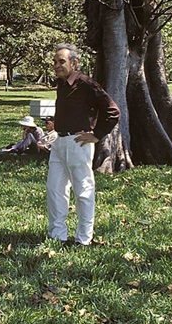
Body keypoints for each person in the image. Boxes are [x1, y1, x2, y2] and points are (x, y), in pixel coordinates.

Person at [48, 43, 120, 246]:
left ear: (74, 62)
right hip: (59, 143)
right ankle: (57, 235)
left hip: (78, 144)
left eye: (61, 61)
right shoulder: (62, 84)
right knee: (54, 190)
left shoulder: (86, 84)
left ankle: (83, 239)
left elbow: (112, 111)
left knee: (83, 191)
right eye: (55, 62)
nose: (57, 65)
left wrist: (96, 135)